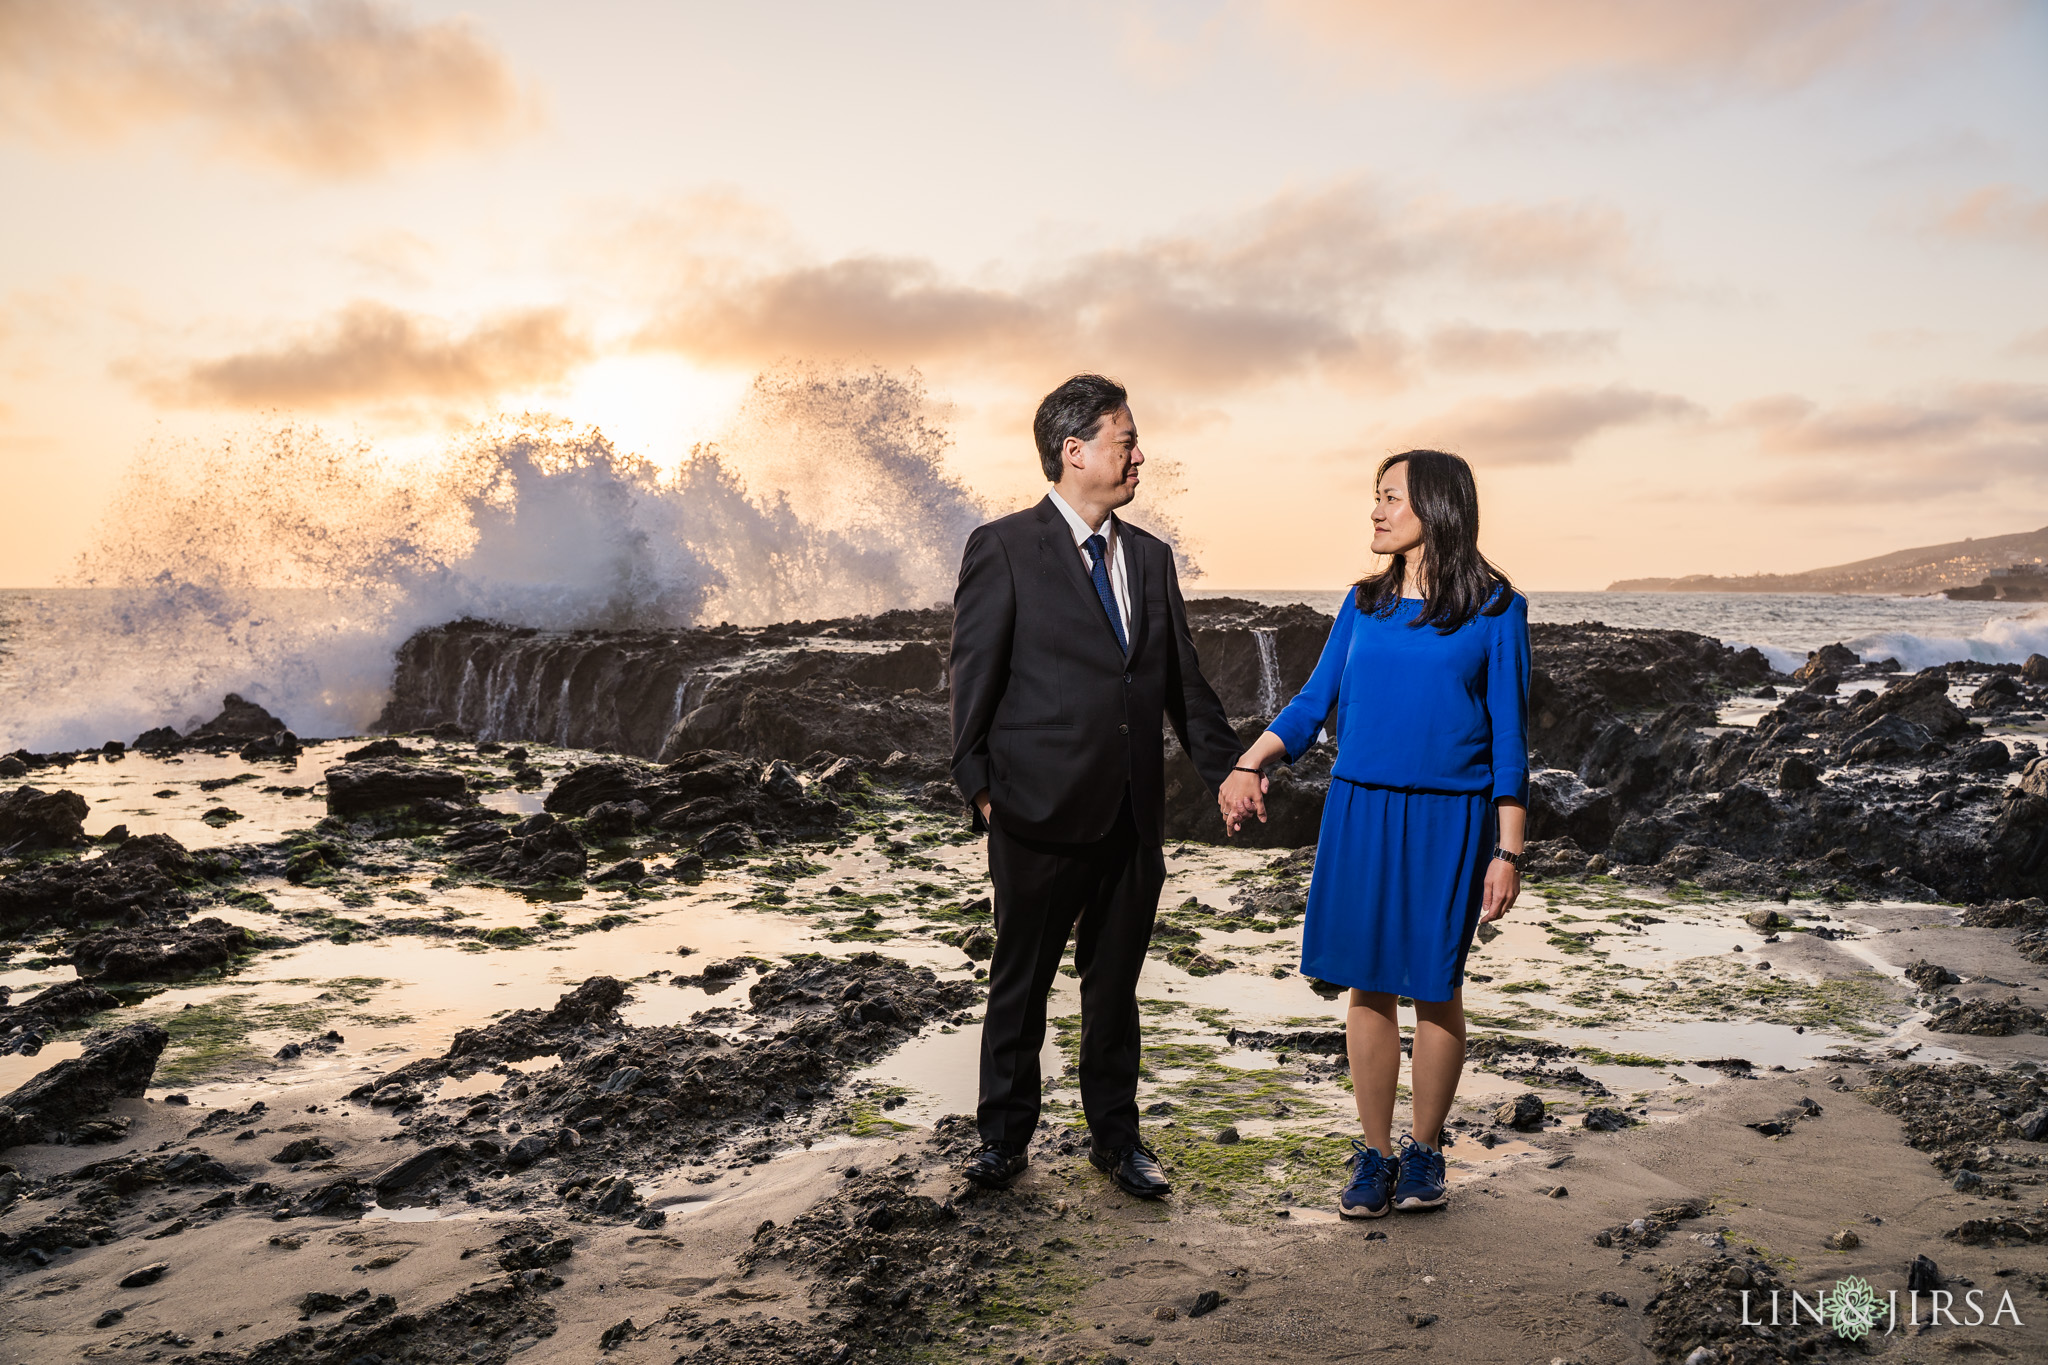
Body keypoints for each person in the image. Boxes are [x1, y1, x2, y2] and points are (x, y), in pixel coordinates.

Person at [949, 373, 1241, 1198]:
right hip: (1033, 810)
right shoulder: (1001, 546)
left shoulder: (1149, 557)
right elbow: (972, 676)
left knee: (1114, 990)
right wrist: (978, 787)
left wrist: (1230, 770)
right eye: (1125, 438)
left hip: (1131, 816)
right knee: (1020, 983)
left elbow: (1182, 683)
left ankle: (1118, 1141)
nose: (1140, 454)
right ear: (1073, 451)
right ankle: (1003, 1140)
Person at [1218, 449, 1529, 1219]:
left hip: (1446, 819)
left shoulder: (1496, 608)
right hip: (1358, 812)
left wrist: (1508, 849)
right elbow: (1313, 701)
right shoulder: (1361, 602)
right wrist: (1250, 761)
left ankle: (1425, 1152)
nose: (1376, 511)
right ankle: (1376, 1154)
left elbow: (1512, 739)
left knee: (1435, 985)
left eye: (1390, 497)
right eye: (1376, 497)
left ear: (1435, 505)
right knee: (1366, 982)